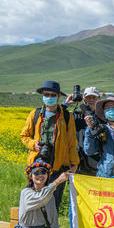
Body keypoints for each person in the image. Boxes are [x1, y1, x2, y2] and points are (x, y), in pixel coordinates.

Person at [20, 80, 79, 212]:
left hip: (58, 167)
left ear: (58, 97)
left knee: (53, 205)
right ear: (42, 95)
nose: (50, 97)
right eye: (47, 94)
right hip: (37, 168)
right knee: (35, 203)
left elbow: (71, 143)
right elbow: (24, 136)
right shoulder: (34, 114)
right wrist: (33, 145)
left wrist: (74, 164)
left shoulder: (68, 117)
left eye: (53, 95)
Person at [63, 86, 100, 228]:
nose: (90, 100)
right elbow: (61, 120)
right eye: (88, 97)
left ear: (98, 99)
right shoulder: (76, 116)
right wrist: (66, 104)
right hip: (77, 165)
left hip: (95, 166)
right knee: (74, 202)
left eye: (94, 97)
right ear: (83, 98)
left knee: (93, 203)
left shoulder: (101, 117)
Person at [83, 94, 114, 178]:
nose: (110, 110)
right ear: (104, 112)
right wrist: (90, 129)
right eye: (107, 108)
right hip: (104, 176)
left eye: (113, 107)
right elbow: (89, 151)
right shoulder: (101, 129)